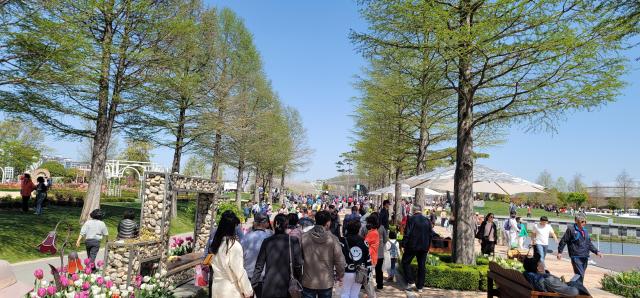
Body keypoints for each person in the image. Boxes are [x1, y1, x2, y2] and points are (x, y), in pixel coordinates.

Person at [252, 214, 303, 298]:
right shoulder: (293, 241)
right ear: (286, 225)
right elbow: (298, 264)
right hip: (287, 286)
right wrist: (299, 280)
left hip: (269, 287)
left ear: (274, 224)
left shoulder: (267, 241)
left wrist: (253, 284)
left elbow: (259, 266)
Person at [300, 210, 346, 298]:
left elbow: (298, 259)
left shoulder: (304, 237)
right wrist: (340, 275)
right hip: (326, 282)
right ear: (328, 223)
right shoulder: (333, 239)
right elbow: (340, 261)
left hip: (308, 281)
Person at [209, 211, 253, 298]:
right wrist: (249, 292)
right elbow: (239, 272)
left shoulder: (216, 244)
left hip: (217, 287)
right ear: (233, 227)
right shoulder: (234, 246)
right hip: (231, 290)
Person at [557, 215, 603, 284]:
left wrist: (596, 251)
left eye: (585, 222)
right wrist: (560, 252)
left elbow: (589, 243)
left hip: (585, 256)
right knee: (580, 274)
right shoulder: (571, 229)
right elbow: (564, 241)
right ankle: (577, 288)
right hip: (576, 256)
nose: (584, 223)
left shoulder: (585, 231)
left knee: (580, 275)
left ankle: (573, 286)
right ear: (577, 222)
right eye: (582, 221)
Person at [401, 204, 433, 292]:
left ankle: (411, 281)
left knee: (405, 262)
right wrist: (428, 246)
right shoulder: (427, 220)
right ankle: (420, 287)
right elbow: (431, 234)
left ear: (414, 210)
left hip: (413, 246)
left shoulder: (411, 219)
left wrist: (403, 244)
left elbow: (407, 232)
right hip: (424, 246)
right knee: (422, 266)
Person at [241, 213, 273, 296]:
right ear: (265, 223)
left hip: (248, 275)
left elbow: (241, 257)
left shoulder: (246, 237)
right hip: (264, 276)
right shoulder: (270, 237)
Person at [523, 257, 590, 296]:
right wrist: (574, 284)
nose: (543, 264)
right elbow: (573, 292)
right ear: (539, 268)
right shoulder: (548, 279)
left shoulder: (531, 275)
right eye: (542, 262)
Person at [340, 220, 372, 298]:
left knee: (345, 293)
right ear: (358, 229)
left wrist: (336, 272)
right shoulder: (364, 242)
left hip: (346, 271)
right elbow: (368, 259)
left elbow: (338, 258)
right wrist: (368, 273)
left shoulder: (342, 241)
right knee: (355, 294)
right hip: (360, 272)